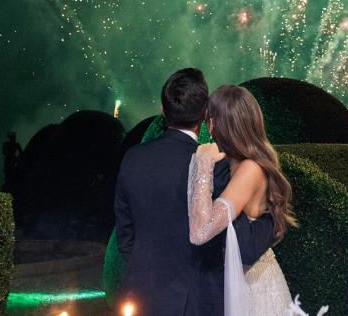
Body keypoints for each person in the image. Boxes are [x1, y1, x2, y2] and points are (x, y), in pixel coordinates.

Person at [114, 68, 276, 316]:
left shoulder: (133, 157)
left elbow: (125, 238)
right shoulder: (214, 166)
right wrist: (272, 216)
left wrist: (149, 276)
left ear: (162, 109)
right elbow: (245, 246)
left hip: (143, 296)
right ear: (204, 115)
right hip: (198, 301)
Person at [188, 84, 295, 316]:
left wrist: (203, 164)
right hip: (236, 282)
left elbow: (200, 231)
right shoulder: (234, 165)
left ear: (213, 124)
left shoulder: (249, 169)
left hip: (253, 287)